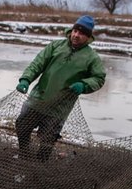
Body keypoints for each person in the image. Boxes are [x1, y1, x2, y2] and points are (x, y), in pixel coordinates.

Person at [14, 15, 106, 159]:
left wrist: (84, 85)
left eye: (81, 33)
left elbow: (99, 78)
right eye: (75, 31)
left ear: (88, 37)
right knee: (22, 126)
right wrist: (26, 79)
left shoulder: (91, 57)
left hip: (60, 107)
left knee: (47, 139)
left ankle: (40, 165)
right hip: (38, 98)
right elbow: (37, 64)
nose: (76, 35)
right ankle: (24, 154)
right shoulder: (55, 46)